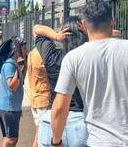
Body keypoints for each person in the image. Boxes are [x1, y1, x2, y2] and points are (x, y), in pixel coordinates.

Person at [51, 0, 128, 147]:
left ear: (85, 26)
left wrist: (56, 142)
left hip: (99, 142)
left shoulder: (73, 58)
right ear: (112, 22)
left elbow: (60, 108)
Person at [33, 16, 88, 147]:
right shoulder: (89, 58)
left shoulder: (52, 57)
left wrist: (56, 36)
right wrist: (88, 32)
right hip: (80, 122)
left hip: (51, 123)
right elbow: (114, 35)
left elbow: (36, 29)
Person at [0, 37, 28, 147]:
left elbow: (21, 80)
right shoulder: (10, 64)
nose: (26, 51)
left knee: (9, 138)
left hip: (12, 107)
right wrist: (19, 68)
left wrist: (23, 65)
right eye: (24, 48)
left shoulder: (14, 64)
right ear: (17, 50)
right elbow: (13, 86)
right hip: (9, 108)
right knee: (12, 139)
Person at [27, 47, 50, 147]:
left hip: (35, 97)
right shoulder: (43, 54)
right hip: (43, 98)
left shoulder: (32, 53)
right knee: (44, 135)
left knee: (39, 132)